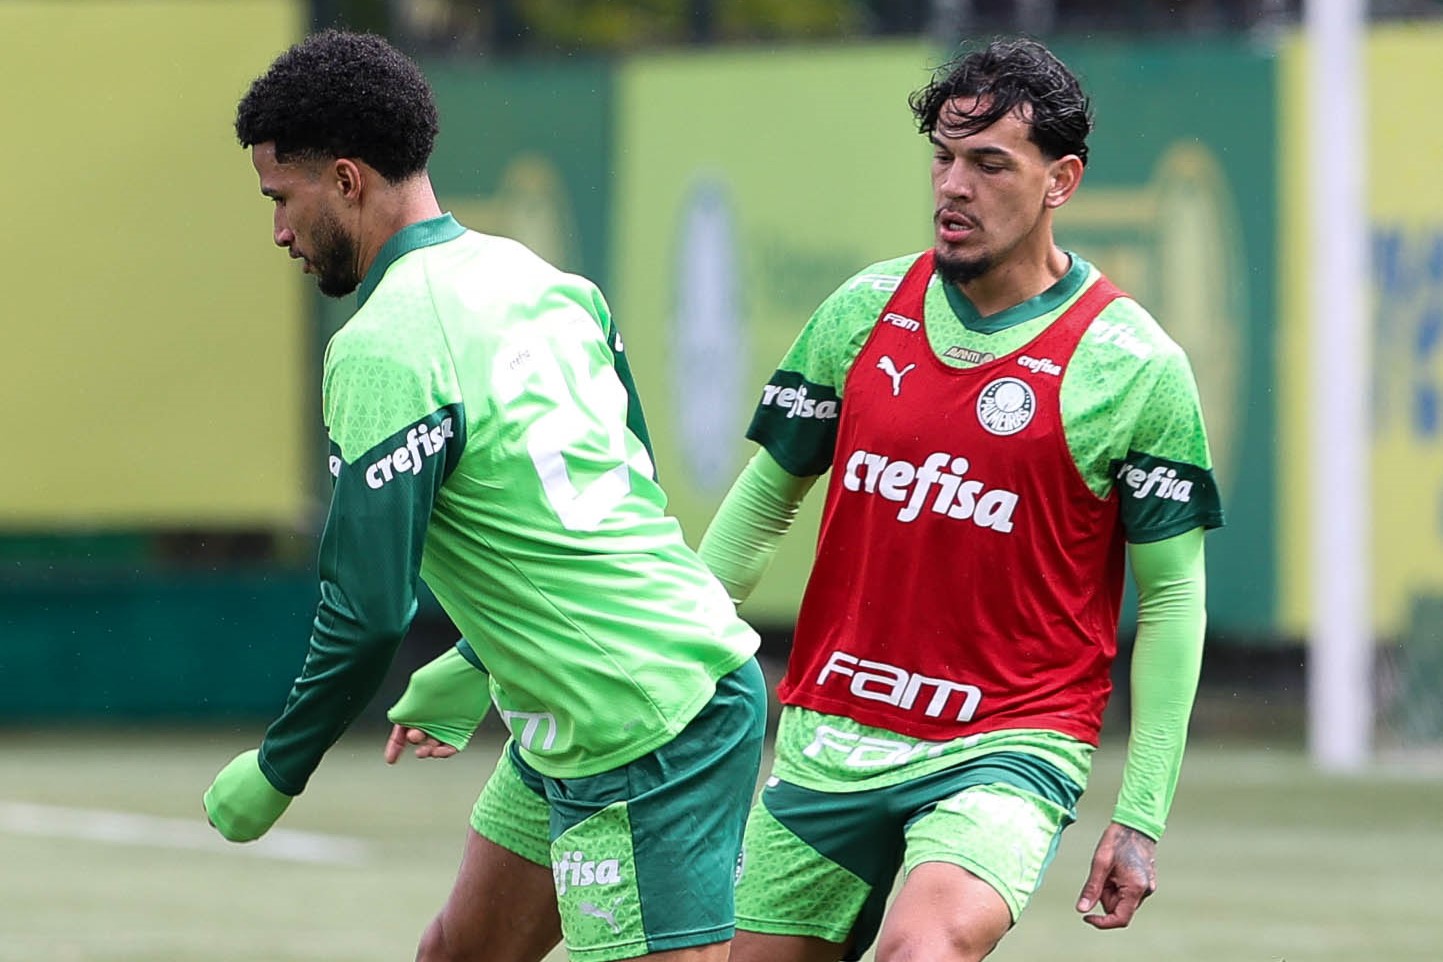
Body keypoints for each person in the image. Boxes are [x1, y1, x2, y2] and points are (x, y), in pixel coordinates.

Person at [200, 29, 767, 962]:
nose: (277, 234)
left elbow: (368, 612)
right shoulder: (547, 283)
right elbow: (622, 490)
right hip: (585, 710)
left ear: (346, 180)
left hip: (646, 723)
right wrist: (477, 659)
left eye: (280, 199)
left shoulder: (383, 343)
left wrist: (279, 766)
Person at [691, 37, 1225, 962]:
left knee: (922, 949)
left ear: (1060, 180)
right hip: (830, 735)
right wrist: (655, 667)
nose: (953, 186)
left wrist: (1139, 815)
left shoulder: (1133, 366)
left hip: (1005, 745)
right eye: (942, 157)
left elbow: (1173, 599)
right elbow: (762, 505)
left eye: (988, 164)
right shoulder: (861, 312)